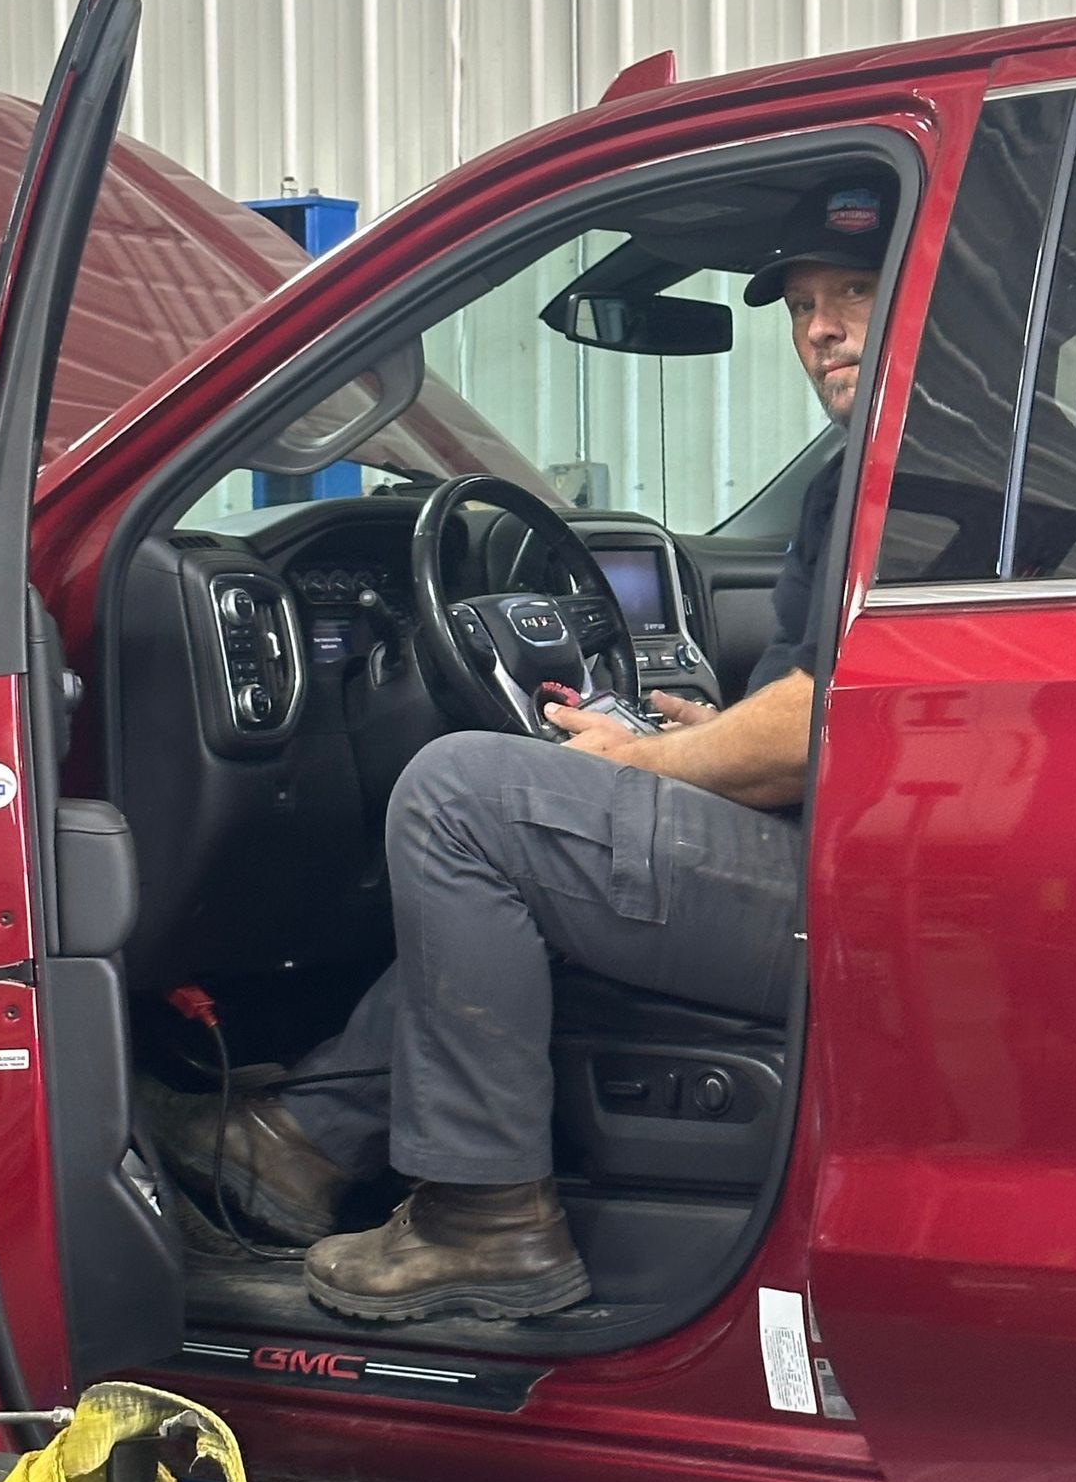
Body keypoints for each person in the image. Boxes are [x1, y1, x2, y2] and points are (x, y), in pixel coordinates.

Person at [154, 179, 889, 1324]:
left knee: (461, 796)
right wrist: (702, 743)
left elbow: (824, 728)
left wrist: (638, 767)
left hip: (859, 895)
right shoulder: (859, 475)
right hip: (843, 856)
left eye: (853, 292)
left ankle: (483, 1220)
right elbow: (811, 702)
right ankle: (295, 1142)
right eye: (801, 305)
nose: (820, 329)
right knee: (531, 838)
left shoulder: (928, 470)